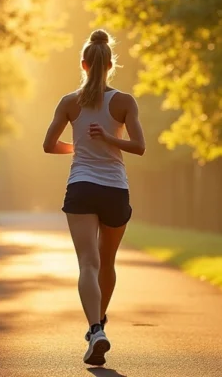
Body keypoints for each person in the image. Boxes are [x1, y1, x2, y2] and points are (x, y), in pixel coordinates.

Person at [42, 29, 146, 366]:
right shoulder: (124, 101)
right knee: (107, 262)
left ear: (84, 65)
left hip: (82, 186)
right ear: (110, 64)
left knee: (88, 262)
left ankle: (95, 328)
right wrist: (108, 139)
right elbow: (139, 147)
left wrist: (80, 145)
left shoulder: (69, 102)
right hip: (115, 189)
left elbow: (48, 145)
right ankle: (98, 325)